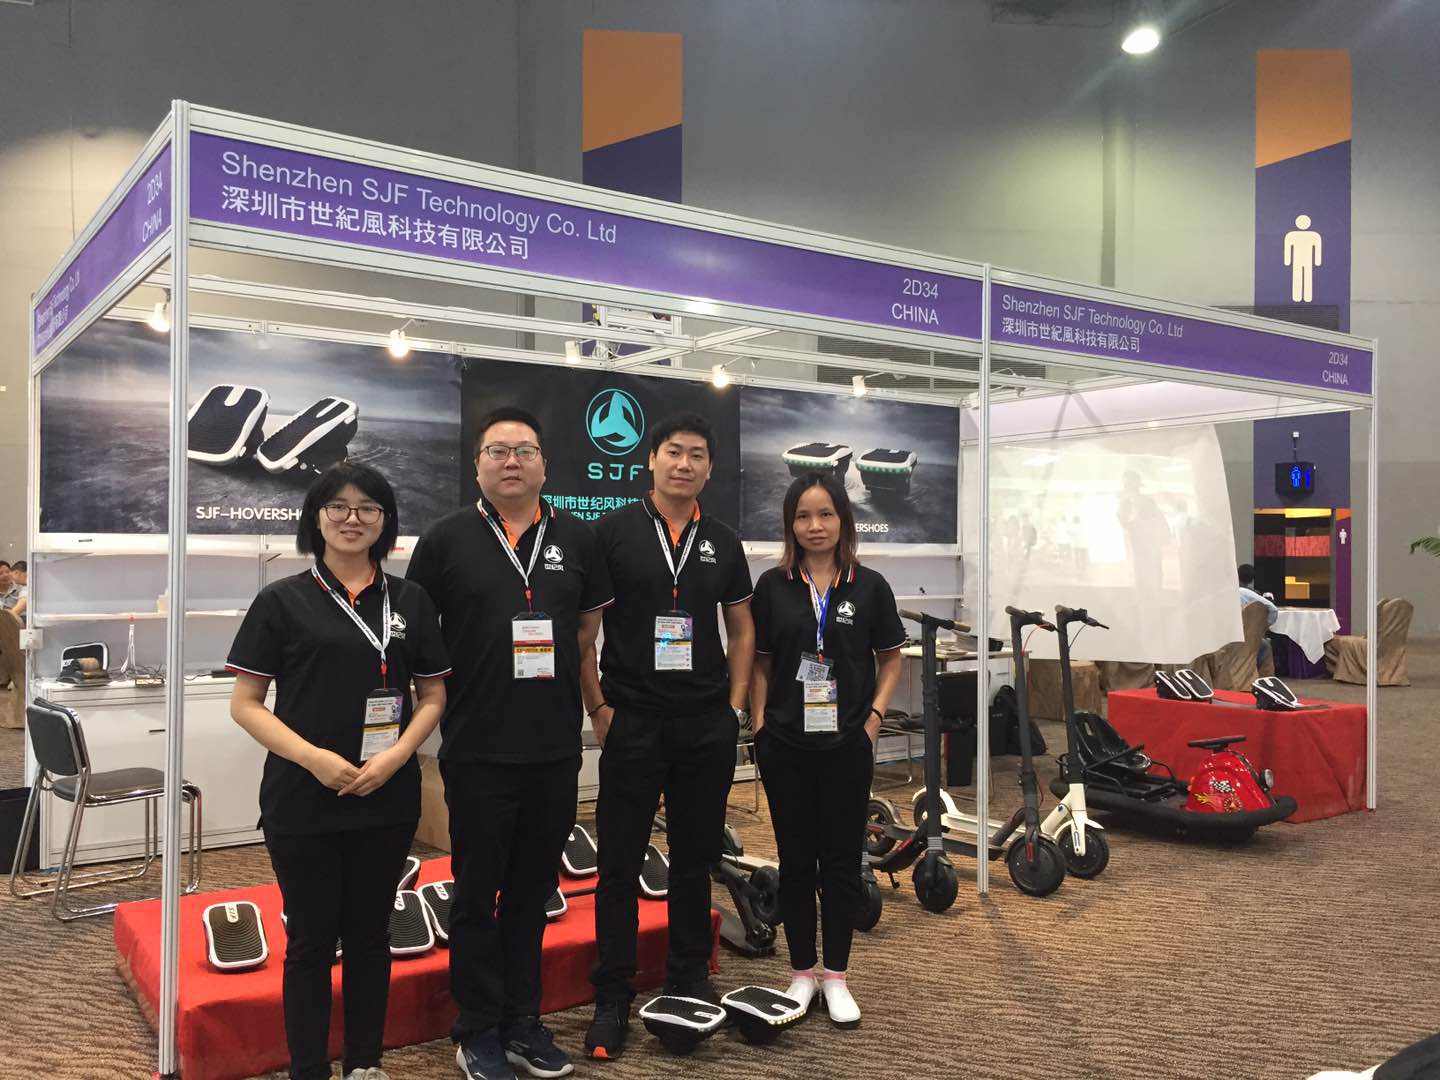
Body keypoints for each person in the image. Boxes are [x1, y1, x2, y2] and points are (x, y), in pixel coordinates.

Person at [406, 406, 612, 1080]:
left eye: (525, 449)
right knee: (475, 895)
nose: (512, 461)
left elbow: (584, 632)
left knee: (532, 894)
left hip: (553, 748)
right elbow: (419, 637)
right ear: (478, 466)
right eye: (498, 450)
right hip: (477, 746)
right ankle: (477, 1029)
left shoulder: (576, 537)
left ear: (545, 465)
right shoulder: (445, 539)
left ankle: (524, 1020)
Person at [227, 463, 450, 1080]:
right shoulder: (281, 600)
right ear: (316, 517)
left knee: (372, 935)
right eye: (339, 506)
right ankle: (309, 1069)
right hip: (304, 797)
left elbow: (433, 696)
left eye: (368, 508)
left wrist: (397, 756)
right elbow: (245, 704)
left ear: (386, 521)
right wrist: (314, 759)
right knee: (310, 942)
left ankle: (364, 1063)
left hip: (386, 795)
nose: (353, 519)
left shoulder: (411, 600)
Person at [580, 413, 754, 1059]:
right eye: (674, 452)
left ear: (710, 467)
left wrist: (733, 707)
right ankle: (613, 994)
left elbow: (742, 628)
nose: (684, 464)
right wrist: (598, 707)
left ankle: (689, 976)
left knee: (695, 856)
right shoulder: (612, 532)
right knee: (619, 863)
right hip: (633, 719)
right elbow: (584, 633)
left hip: (705, 722)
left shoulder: (723, 540)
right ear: (651, 460)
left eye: (697, 454)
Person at [749, 471, 905, 1028]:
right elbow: (761, 662)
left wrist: (875, 718)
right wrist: (760, 724)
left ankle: (836, 976)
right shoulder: (773, 585)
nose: (814, 526)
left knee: (840, 862)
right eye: (802, 516)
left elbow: (891, 658)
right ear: (790, 524)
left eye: (825, 514)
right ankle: (800, 974)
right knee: (795, 862)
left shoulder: (870, 586)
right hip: (786, 743)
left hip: (846, 745)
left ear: (843, 520)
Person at [1238, 563, 1280, 668]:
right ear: (1252, 579)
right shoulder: (1250, 594)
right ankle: (1254, 670)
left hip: (1225, 638)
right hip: (1247, 638)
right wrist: (1262, 627)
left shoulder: (1226, 592)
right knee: (1265, 646)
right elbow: (1273, 609)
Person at [3, 560, 27, 625]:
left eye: (11, 575)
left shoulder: (27, 587)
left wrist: (4, 619)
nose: (11, 579)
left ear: (16, 572)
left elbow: (21, 606)